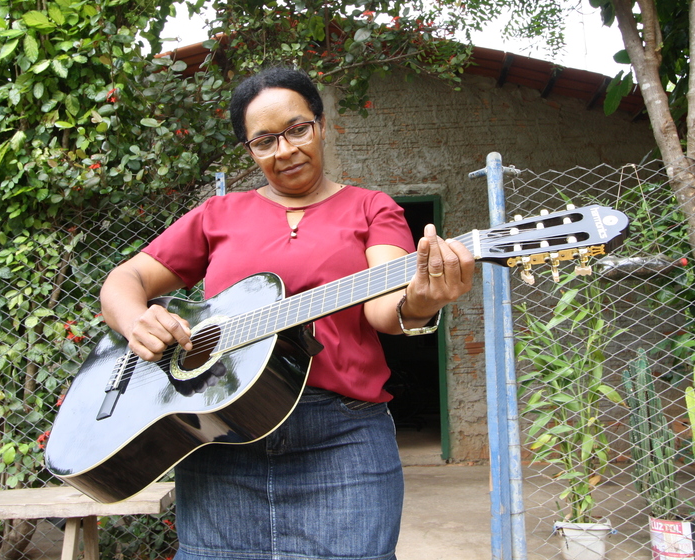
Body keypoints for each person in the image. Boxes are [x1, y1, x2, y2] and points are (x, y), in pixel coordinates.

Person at [99, 66, 476, 560]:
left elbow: (387, 307)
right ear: (249, 151)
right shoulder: (218, 215)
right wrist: (135, 320)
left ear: (321, 125)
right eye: (265, 141)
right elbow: (123, 281)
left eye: (298, 129)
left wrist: (425, 299)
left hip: (342, 439)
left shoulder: (372, 208)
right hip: (222, 434)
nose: (286, 150)